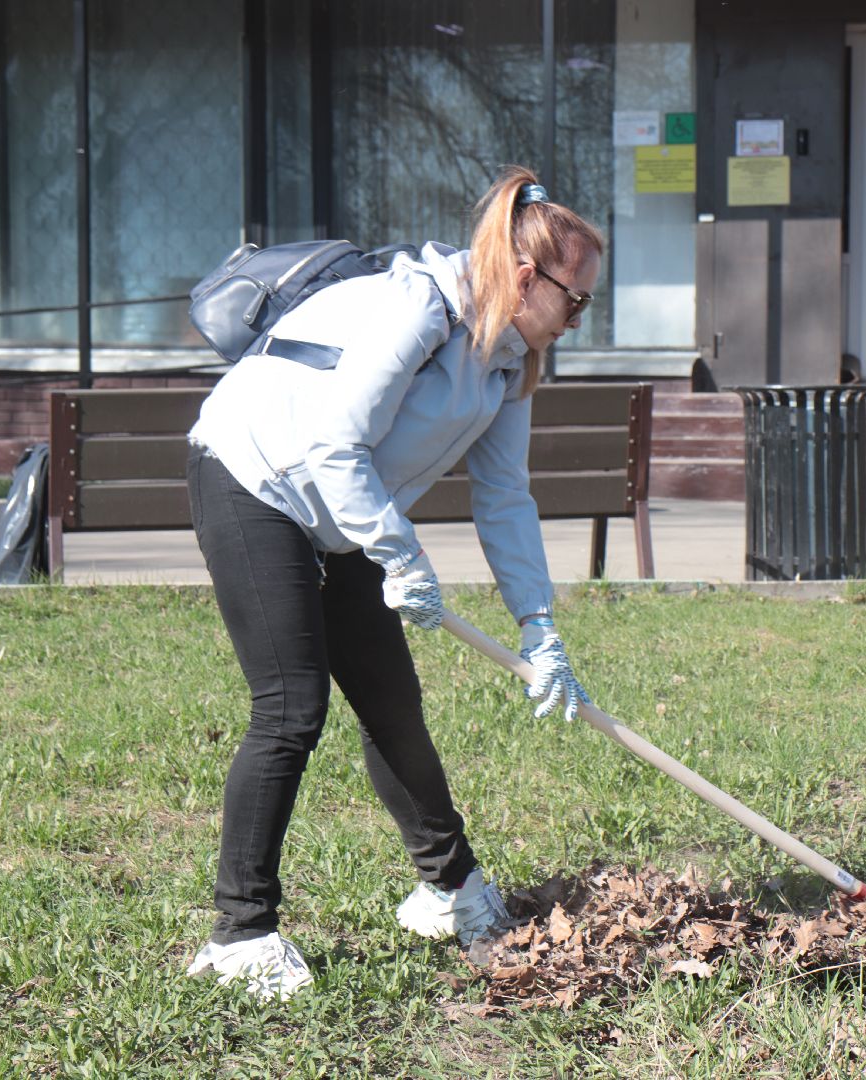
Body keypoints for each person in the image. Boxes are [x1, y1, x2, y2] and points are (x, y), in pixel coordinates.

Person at [182, 166, 603, 1000]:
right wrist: (400, 554)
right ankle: (241, 933)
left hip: (342, 513)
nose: (579, 318)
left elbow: (505, 496)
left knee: (391, 705)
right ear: (526, 279)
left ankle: (449, 891)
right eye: (577, 300)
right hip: (254, 478)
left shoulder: (508, 359)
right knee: (291, 707)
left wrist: (538, 624)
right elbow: (335, 445)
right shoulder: (422, 308)